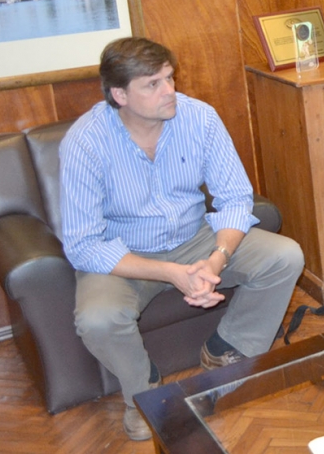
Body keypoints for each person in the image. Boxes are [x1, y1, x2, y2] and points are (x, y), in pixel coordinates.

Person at [59, 37, 304, 441]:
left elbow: (235, 198)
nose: (170, 90)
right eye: (153, 84)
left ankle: (226, 349)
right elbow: (83, 245)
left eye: (169, 78)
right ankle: (143, 391)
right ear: (120, 95)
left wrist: (216, 258)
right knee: (97, 318)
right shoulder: (85, 143)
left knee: (285, 256)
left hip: (196, 237)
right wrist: (172, 273)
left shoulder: (199, 118)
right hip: (125, 255)